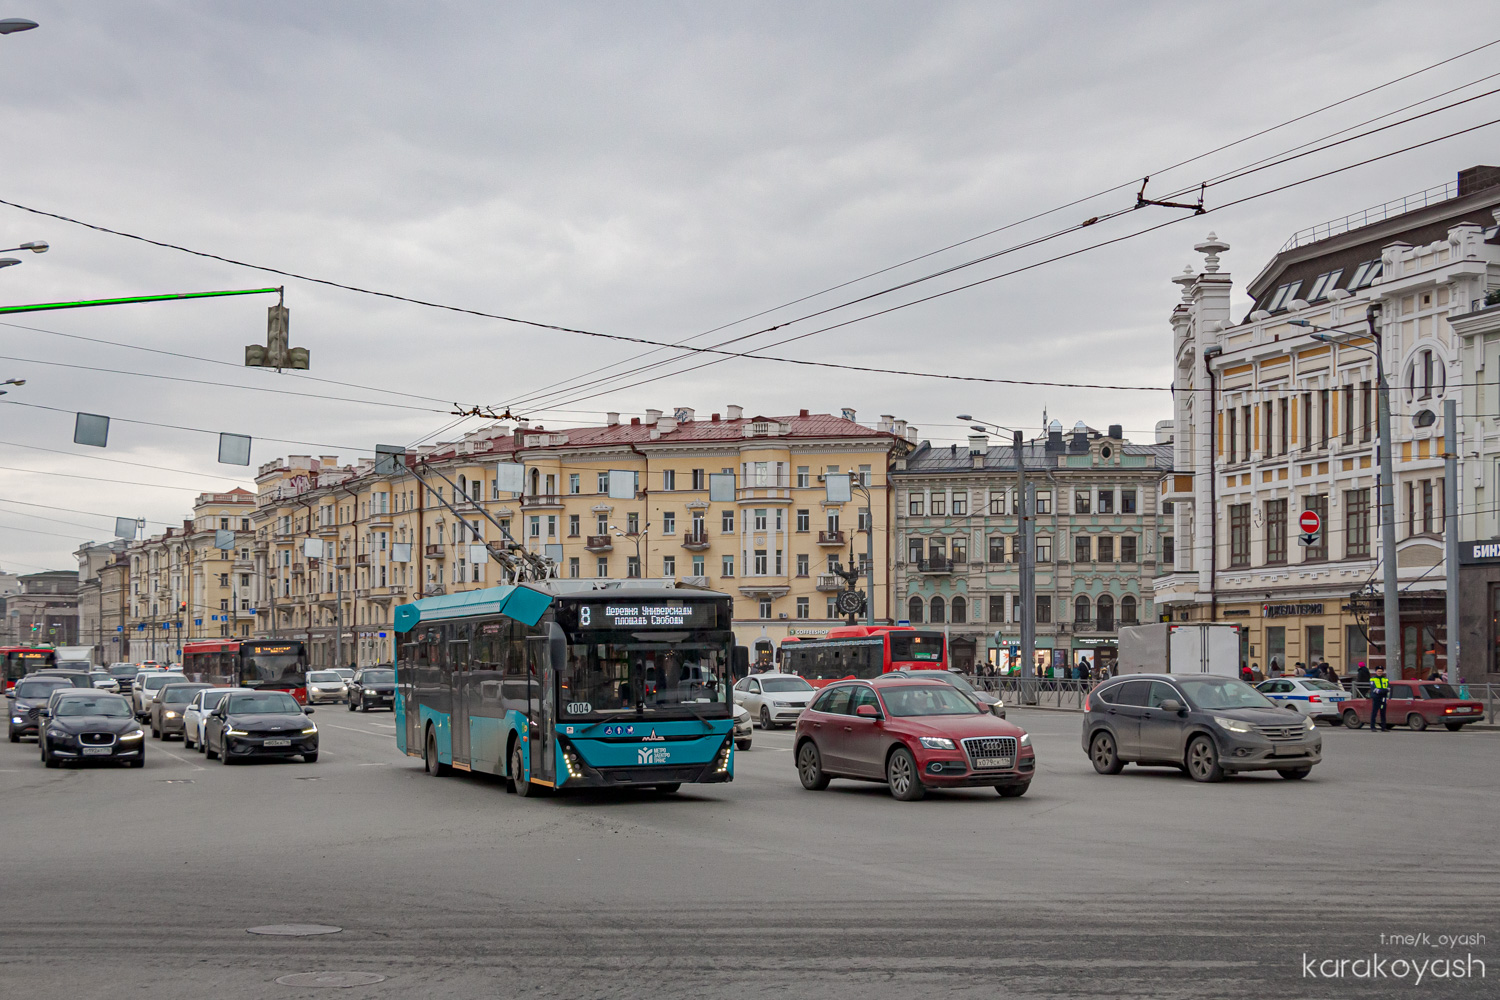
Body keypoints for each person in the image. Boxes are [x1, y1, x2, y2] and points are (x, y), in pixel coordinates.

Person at [1369, 664, 1390, 732]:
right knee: (1374, 712)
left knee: (1383, 712)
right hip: (1376, 697)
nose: (1380, 672)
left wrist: (1382, 691)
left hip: (1383, 697)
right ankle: (1372, 727)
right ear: (1376, 672)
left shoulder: (1385, 679)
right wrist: (1381, 691)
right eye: (1378, 671)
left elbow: (1388, 688)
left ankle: (1383, 727)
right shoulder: (1373, 679)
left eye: (1381, 671)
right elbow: (1374, 689)